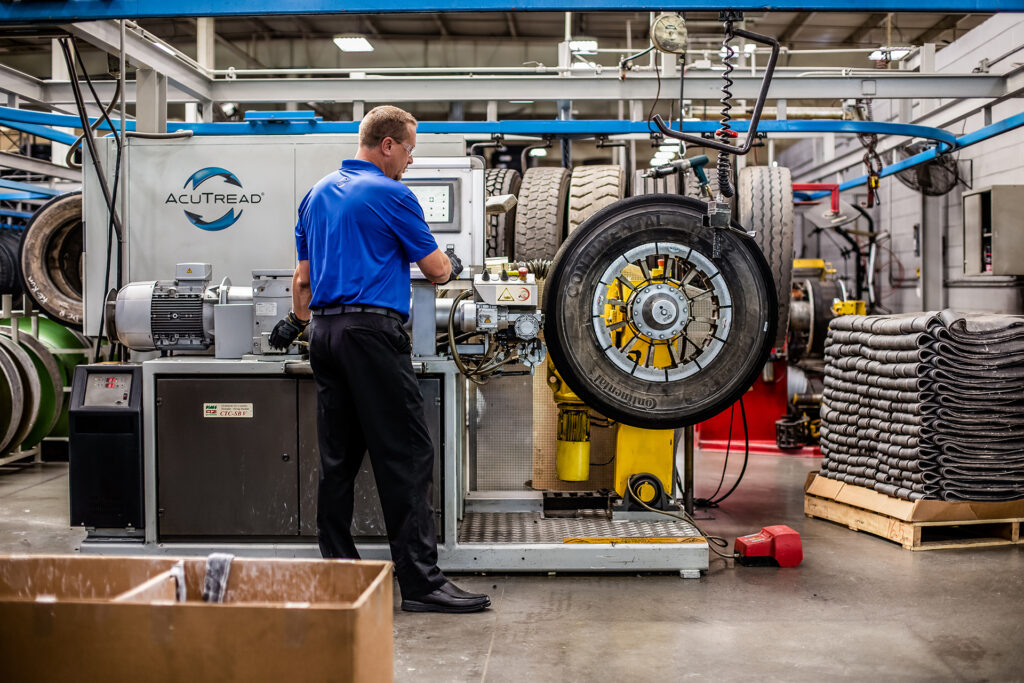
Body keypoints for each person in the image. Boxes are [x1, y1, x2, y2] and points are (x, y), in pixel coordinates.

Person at [269, 105, 489, 614]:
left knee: (338, 460)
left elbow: (301, 280)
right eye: (410, 150)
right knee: (408, 455)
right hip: (371, 334)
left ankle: (342, 579)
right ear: (386, 145)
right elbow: (435, 270)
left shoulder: (316, 194)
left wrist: (299, 325)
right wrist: (450, 261)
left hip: (323, 333)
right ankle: (420, 583)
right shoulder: (393, 195)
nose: (411, 161)